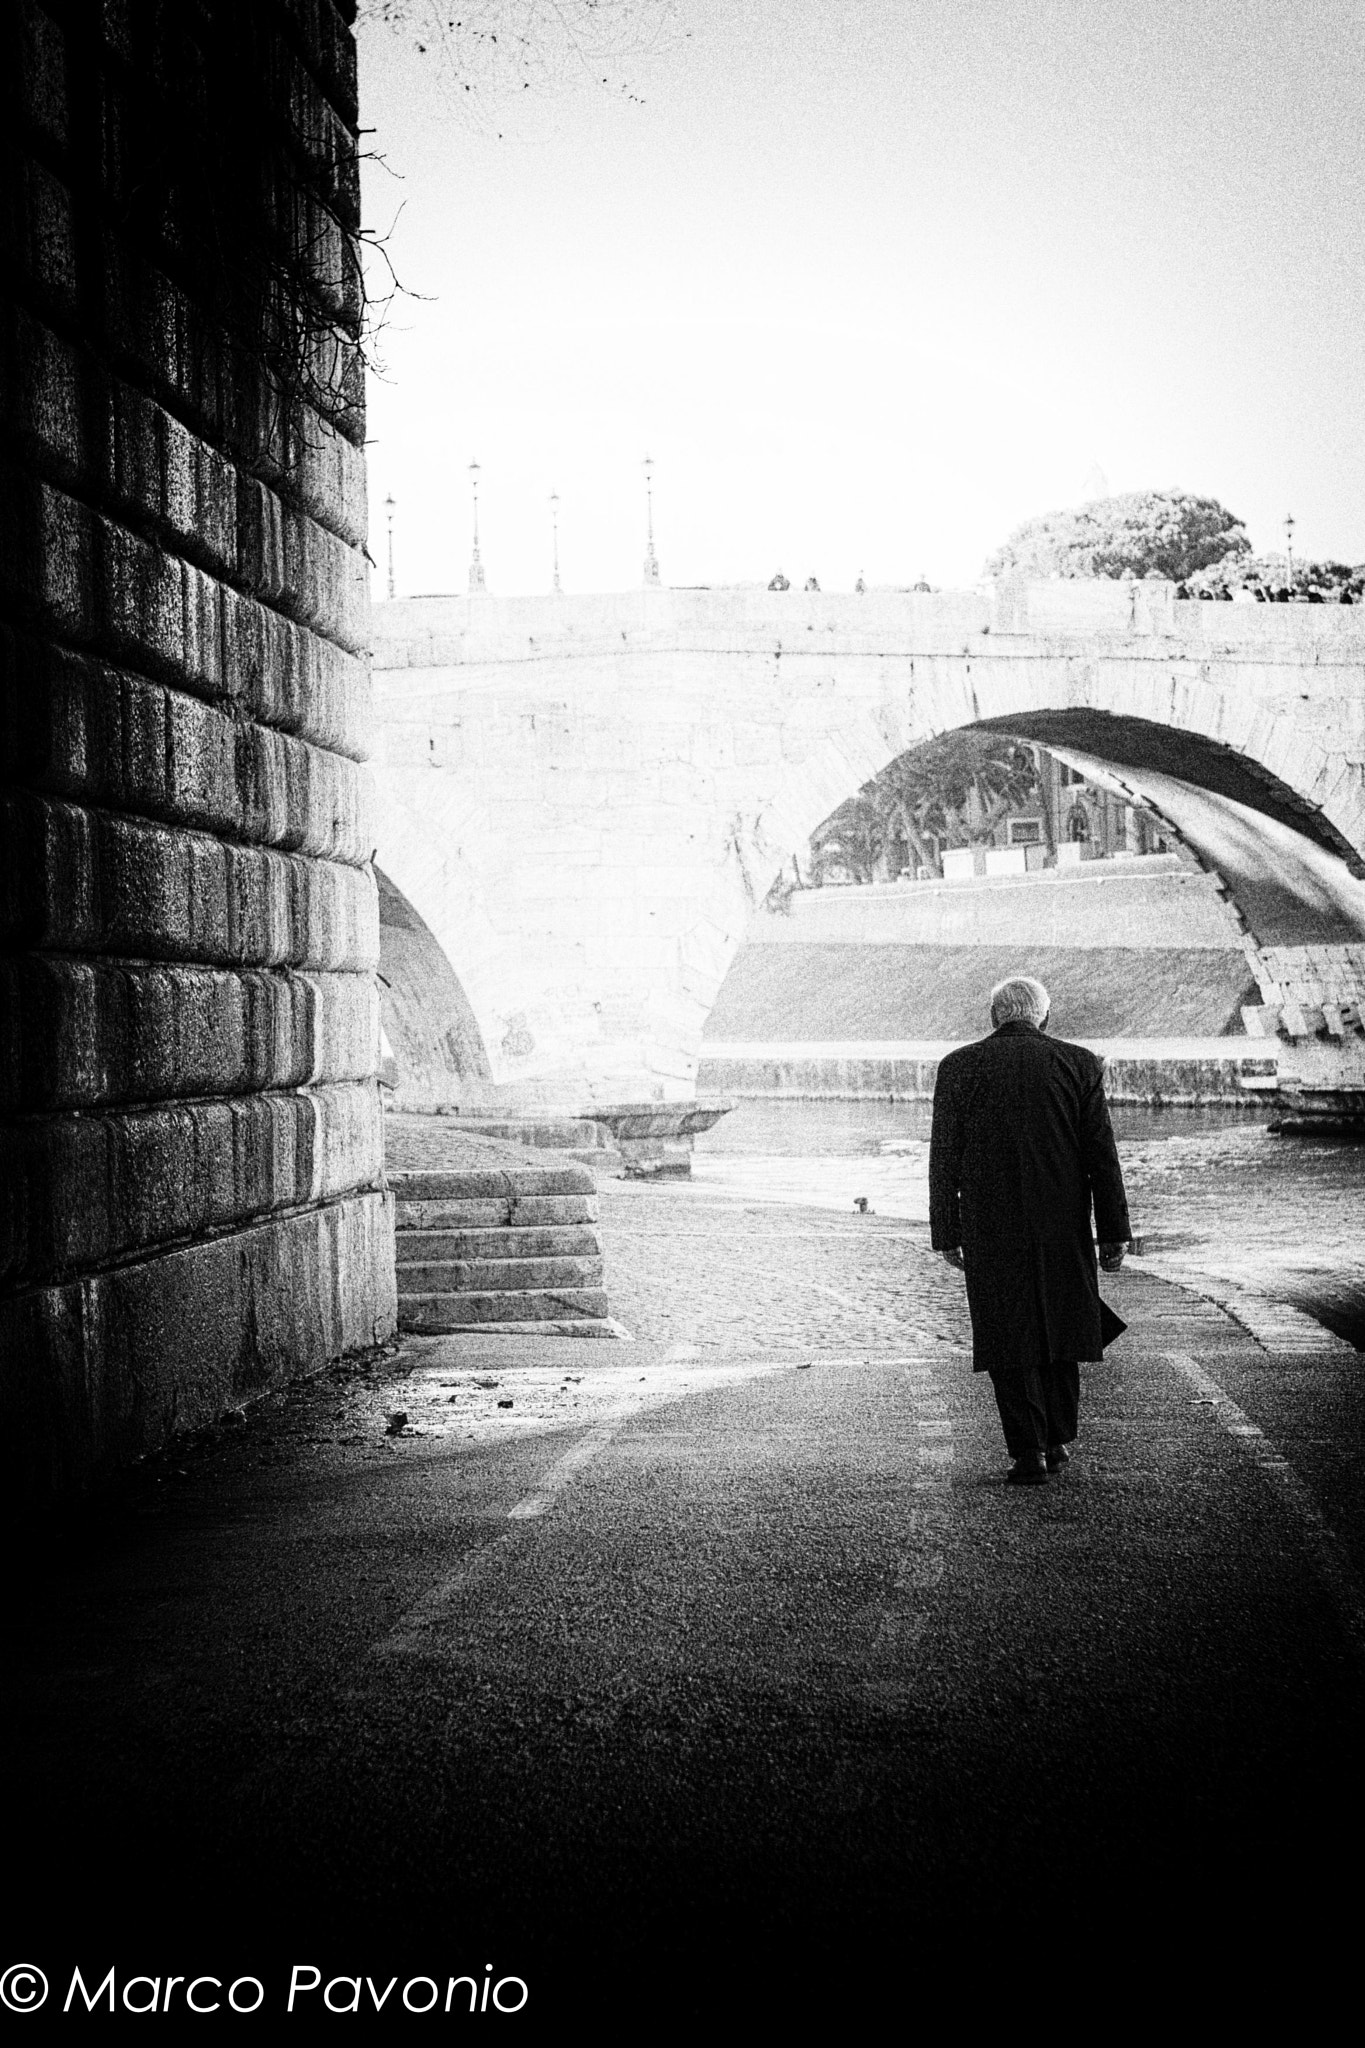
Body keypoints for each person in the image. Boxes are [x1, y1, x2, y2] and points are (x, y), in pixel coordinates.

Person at [929, 974, 1131, 1485]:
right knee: (1062, 1325)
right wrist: (1113, 1231)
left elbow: (943, 1158)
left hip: (990, 1223)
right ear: (1044, 1016)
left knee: (1008, 1332)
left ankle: (1028, 1451)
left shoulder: (958, 1067)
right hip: (1063, 1221)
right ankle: (1058, 1438)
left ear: (994, 1017)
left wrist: (946, 1232)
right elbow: (1100, 1156)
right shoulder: (1080, 1063)